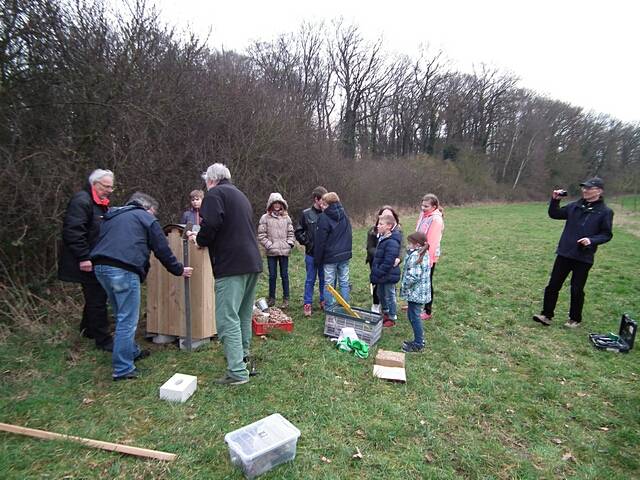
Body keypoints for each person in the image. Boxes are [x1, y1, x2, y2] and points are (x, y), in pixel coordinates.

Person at [91, 192, 193, 381]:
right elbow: (162, 249)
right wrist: (179, 270)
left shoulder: (113, 216)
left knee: (121, 313)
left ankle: (132, 351)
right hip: (124, 269)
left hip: (100, 267)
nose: (154, 217)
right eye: (154, 213)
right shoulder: (145, 217)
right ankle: (122, 369)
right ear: (148, 208)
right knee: (127, 320)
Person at [190, 163, 263, 385]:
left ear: (211, 180)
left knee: (226, 317)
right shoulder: (240, 195)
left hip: (231, 265)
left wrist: (199, 240)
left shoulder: (215, 195)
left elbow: (211, 224)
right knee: (241, 314)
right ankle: (243, 358)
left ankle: (237, 372)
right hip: (252, 262)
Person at [533, 177, 613, 328]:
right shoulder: (575, 206)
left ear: (599, 191)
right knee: (553, 285)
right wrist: (555, 200)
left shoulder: (605, 212)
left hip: (584, 256)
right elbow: (555, 214)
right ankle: (546, 315)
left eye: (589, 188)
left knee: (576, 289)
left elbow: (606, 234)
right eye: (584, 188)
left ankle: (575, 318)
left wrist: (591, 240)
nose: (585, 190)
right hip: (565, 252)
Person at [58, 169, 115, 351]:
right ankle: (103, 339)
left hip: (95, 257)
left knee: (94, 296)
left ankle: (87, 329)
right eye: (106, 186)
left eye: (111, 187)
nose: (109, 190)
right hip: (85, 260)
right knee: (97, 297)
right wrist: (83, 257)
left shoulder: (99, 203)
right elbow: (73, 232)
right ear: (94, 184)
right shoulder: (82, 201)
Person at [314, 192, 352, 311]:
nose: (322, 206)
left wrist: (317, 259)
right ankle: (345, 306)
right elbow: (349, 234)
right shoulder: (345, 215)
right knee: (344, 281)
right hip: (345, 255)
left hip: (330, 256)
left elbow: (320, 241)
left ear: (330, 204)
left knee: (329, 284)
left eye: (324, 204)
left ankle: (329, 307)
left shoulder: (324, 218)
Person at [257, 192, 295, 308]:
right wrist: (269, 245)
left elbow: (291, 233)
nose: (277, 205)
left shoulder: (286, 217)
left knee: (284, 275)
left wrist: (289, 243)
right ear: (271, 204)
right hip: (271, 252)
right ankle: (271, 298)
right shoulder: (265, 218)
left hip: (284, 251)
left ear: (282, 204)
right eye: (275, 203)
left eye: (279, 203)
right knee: (272, 275)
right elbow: (261, 235)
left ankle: (286, 299)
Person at [295, 186, 328, 317]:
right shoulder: (306, 214)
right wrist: (307, 243)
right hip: (311, 253)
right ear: (316, 199)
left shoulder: (327, 214)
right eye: (323, 200)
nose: (325, 203)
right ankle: (307, 303)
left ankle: (323, 300)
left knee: (324, 279)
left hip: (325, 254)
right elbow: (298, 231)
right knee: (310, 279)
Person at [366, 206, 402, 313]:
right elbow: (369, 247)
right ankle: (377, 304)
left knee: (389, 290)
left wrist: (399, 258)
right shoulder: (373, 231)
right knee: (378, 288)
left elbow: (401, 248)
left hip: (387, 265)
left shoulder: (397, 233)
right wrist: (379, 254)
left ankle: (391, 312)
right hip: (375, 262)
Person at [399, 232, 431, 352]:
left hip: (415, 293)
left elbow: (413, 277)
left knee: (414, 316)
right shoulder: (424, 253)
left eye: (410, 243)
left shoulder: (416, 255)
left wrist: (405, 286)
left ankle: (418, 343)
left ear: (417, 244)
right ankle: (418, 340)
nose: (408, 245)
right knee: (412, 315)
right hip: (419, 293)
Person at [415, 193, 444, 320]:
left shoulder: (436, 220)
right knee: (417, 280)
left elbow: (432, 241)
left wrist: (428, 260)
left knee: (427, 282)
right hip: (418, 252)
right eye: (422, 205)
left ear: (434, 206)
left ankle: (427, 310)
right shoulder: (423, 215)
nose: (423, 208)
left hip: (428, 256)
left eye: (426, 206)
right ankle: (416, 303)